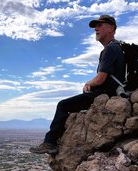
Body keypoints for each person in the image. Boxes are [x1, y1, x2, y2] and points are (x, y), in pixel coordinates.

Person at [29, 15, 125, 154]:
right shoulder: (118, 47)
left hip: (106, 94)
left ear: (111, 28)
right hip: (113, 92)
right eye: (95, 26)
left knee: (63, 105)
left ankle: (50, 142)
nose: (96, 29)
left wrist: (88, 83)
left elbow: (100, 78)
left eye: (100, 25)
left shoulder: (110, 49)